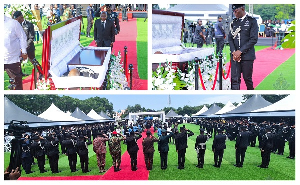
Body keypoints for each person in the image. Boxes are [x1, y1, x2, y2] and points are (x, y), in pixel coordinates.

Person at [228, 4, 258, 90]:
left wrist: (240, 51)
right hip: (235, 56)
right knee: (234, 80)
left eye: (236, 11)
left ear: (242, 8)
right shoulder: (234, 22)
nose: (234, 13)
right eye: (233, 11)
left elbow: (253, 39)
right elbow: (230, 38)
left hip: (247, 56)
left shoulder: (252, 21)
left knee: (247, 79)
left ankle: (251, 96)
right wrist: (234, 51)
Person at [4, 15, 27, 90]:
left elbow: (22, 37)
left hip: (11, 58)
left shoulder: (13, 23)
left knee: (16, 84)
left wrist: (24, 52)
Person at [13, 11, 36, 76]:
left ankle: (40, 73)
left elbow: (31, 37)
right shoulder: (16, 25)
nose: (16, 21)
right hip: (19, 48)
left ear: (21, 17)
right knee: (18, 62)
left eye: (17, 19)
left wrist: (24, 47)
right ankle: (20, 73)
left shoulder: (29, 24)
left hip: (29, 47)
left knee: (33, 61)